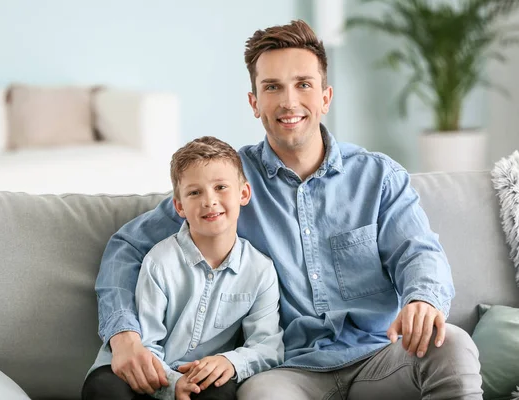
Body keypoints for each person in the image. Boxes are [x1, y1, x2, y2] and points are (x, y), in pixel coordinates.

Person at [85, 19, 482, 400]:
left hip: (379, 357)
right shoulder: (226, 184)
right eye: (273, 87)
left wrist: (423, 300)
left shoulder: (379, 177)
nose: (289, 101)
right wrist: (124, 336)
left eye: (303, 85)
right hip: (289, 372)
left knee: (454, 345)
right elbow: (128, 247)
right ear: (254, 102)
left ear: (325, 97)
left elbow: (418, 252)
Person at [82, 136, 284, 400]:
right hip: (145, 370)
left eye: (221, 187)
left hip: (203, 376)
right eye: (194, 192)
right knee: (106, 390)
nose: (209, 201)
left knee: (220, 391)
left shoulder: (260, 270)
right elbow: (147, 342)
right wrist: (172, 383)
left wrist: (231, 361)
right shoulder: (159, 261)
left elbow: (268, 345)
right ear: (179, 206)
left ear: (243, 193)